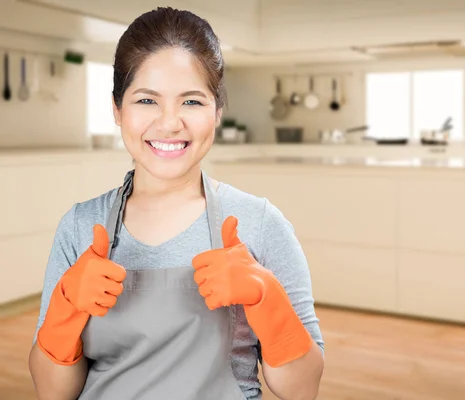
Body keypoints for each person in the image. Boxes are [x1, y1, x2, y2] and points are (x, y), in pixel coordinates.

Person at [28, 6, 325, 400]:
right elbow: (52, 393)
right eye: (147, 101)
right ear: (117, 110)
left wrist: (269, 304)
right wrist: (64, 312)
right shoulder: (81, 226)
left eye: (192, 102)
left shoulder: (259, 223)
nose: (170, 123)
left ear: (218, 111)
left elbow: (303, 390)